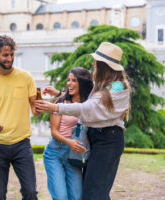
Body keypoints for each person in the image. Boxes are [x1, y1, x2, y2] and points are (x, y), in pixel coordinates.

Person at [35, 42, 130, 200]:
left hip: (107, 141)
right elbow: (87, 102)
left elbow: (89, 108)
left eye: (96, 61)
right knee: (95, 191)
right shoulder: (103, 85)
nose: (93, 64)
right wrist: (60, 94)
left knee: (93, 193)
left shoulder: (117, 87)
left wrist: (55, 107)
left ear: (104, 66)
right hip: (98, 140)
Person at [0, 35, 39, 200]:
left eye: (11, 54)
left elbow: (35, 106)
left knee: (31, 192)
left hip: (21, 144)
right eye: (5, 55)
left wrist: (40, 104)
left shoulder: (26, 77)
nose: (9, 58)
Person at [42, 67, 93, 200]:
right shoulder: (60, 103)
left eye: (74, 80)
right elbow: (54, 132)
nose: (69, 83)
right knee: (61, 197)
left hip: (75, 155)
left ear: (82, 83)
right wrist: (69, 142)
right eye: (68, 80)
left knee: (76, 197)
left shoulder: (89, 103)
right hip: (55, 153)